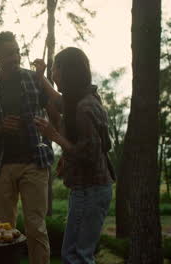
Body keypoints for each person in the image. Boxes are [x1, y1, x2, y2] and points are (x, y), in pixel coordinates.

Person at [33, 47, 116, 264]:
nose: (53, 74)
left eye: (54, 69)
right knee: (75, 254)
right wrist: (40, 77)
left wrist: (54, 136)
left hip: (90, 190)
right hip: (89, 189)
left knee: (77, 255)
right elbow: (58, 101)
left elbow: (89, 153)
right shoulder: (82, 98)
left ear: (66, 70)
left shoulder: (84, 107)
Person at [0, 31, 59, 264]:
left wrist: (53, 132)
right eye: (8, 54)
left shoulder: (33, 79)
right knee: (2, 229)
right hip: (1, 165)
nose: (15, 57)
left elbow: (55, 111)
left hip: (34, 162)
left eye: (16, 51)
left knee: (36, 227)